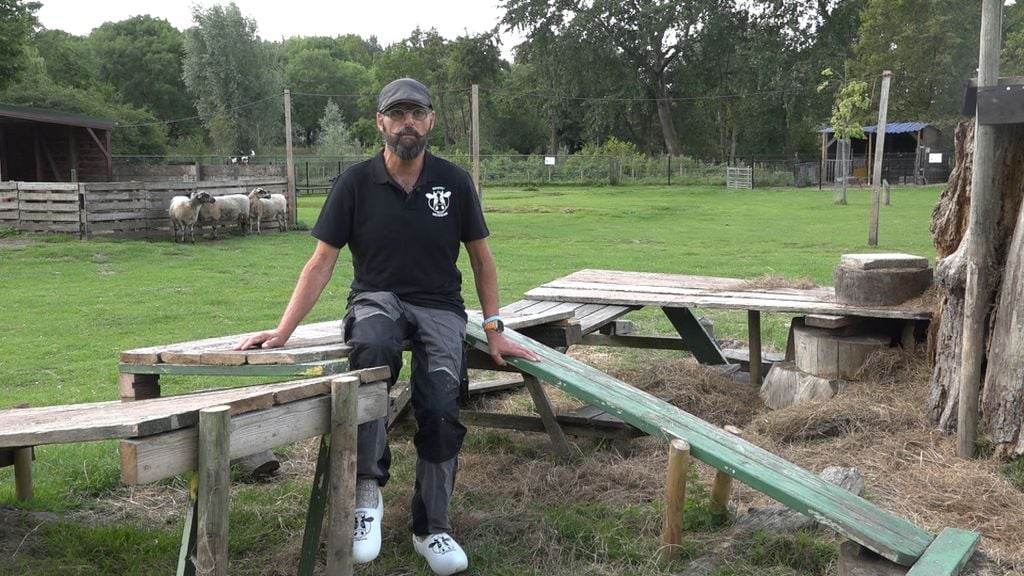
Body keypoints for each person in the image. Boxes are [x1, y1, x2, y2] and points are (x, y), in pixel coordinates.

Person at [235, 77, 539, 576]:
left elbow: (482, 260)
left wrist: (495, 326)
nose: (407, 124)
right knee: (372, 352)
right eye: (397, 115)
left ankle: (432, 527)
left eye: (416, 114)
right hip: (376, 299)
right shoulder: (355, 183)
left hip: (440, 307)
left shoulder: (453, 182)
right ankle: (366, 498)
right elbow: (320, 263)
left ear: (431, 121)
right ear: (380, 122)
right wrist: (283, 330)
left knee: (441, 402)